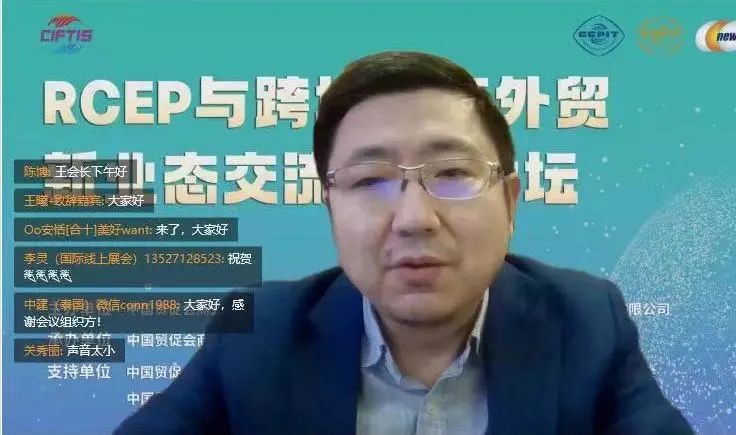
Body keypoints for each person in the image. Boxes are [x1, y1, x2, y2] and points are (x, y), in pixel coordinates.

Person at [114, 51, 693, 435]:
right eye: (371, 181)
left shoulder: (587, 322)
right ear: (330, 208)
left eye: (452, 174)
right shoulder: (257, 333)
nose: (415, 219)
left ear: (510, 202)